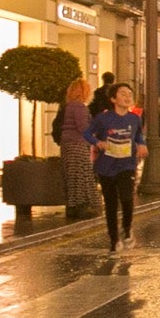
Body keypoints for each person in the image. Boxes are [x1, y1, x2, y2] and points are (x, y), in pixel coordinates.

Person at [84, 82, 147, 252]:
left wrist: (142, 145)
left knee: (127, 199)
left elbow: (139, 135)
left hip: (126, 165)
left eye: (129, 94)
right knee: (111, 204)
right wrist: (97, 142)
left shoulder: (134, 119)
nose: (127, 97)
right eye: (123, 94)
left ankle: (126, 229)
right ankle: (114, 239)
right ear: (113, 99)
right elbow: (87, 133)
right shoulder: (103, 119)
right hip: (106, 166)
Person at [59, 77, 100, 220]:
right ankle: (82, 206)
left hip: (68, 144)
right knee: (81, 174)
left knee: (72, 176)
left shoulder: (69, 106)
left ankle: (72, 206)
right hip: (78, 144)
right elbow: (83, 127)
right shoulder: (79, 107)